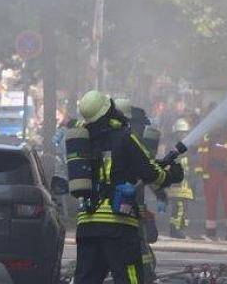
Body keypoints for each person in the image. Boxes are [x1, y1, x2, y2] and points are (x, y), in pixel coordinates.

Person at [73, 90, 183, 284]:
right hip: (118, 225)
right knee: (129, 278)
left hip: (87, 225)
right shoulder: (124, 137)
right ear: (109, 110)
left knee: (86, 280)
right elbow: (150, 173)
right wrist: (171, 175)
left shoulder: (82, 141)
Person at [115, 98, 160, 282]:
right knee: (134, 250)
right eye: (140, 125)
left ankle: (144, 274)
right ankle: (144, 275)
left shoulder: (122, 141)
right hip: (124, 210)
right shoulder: (128, 143)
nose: (142, 129)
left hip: (130, 209)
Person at [195, 124, 227, 241]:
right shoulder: (207, 137)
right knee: (211, 202)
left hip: (226, 173)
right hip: (211, 172)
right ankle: (211, 231)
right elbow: (201, 154)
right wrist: (200, 169)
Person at [166, 117, 195, 239]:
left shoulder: (187, 148)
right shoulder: (174, 148)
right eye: (181, 133)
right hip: (177, 185)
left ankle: (181, 229)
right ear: (176, 133)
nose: (183, 135)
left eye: (185, 133)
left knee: (185, 208)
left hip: (186, 185)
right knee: (179, 207)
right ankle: (175, 229)